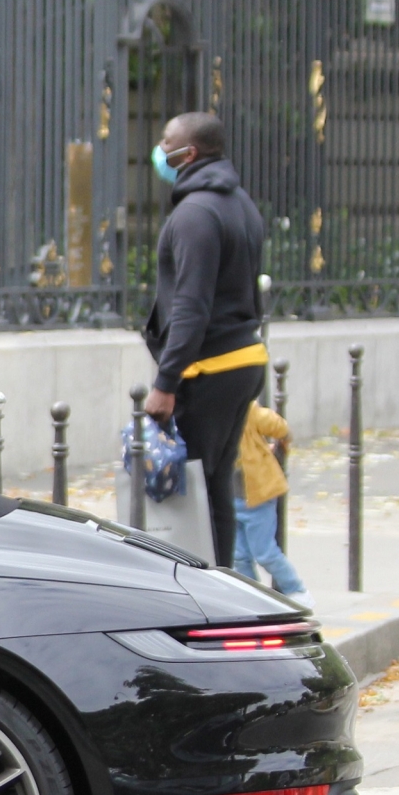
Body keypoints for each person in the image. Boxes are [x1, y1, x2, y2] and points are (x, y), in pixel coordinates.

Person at [141, 111, 267, 568]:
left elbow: (190, 307)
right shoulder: (238, 203)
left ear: (188, 153)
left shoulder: (195, 213)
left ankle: (194, 592)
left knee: (189, 490)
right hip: (242, 360)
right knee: (213, 486)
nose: (160, 148)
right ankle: (222, 584)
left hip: (207, 370)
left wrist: (166, 383)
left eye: (166, 141)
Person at [232, 400, 309, 601]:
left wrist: (283, 440)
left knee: (264, 552)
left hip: (258, 494)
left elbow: (278, 425)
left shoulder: (247, 410)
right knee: (239, 557)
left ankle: (296, 591)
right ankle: (254, 598)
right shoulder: (210, 413)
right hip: (230, 497)